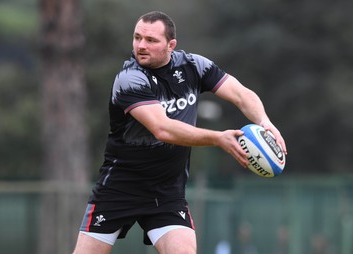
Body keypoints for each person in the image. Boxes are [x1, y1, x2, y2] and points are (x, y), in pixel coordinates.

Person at [73, 11, 287, 254]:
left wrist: (264, 121)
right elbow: (162, 129)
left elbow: (240, 93)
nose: (141, 46)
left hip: (167, 193)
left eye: (151, 40)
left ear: (171, 45)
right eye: (137, 38)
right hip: (120, 188)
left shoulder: (194, 66)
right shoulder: (129, 79)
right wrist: (218, 138)